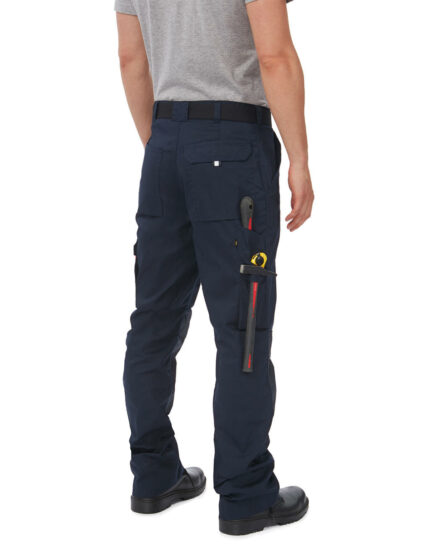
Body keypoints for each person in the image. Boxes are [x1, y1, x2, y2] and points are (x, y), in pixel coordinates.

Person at [115, 0, 314, 536]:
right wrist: (299, 158)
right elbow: (274, 56)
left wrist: (165, 150)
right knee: (242, 325)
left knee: (153, 320)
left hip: (163, 143)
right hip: (233, 142)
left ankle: (153, 475)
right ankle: (246, 494)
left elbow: (132, 59)